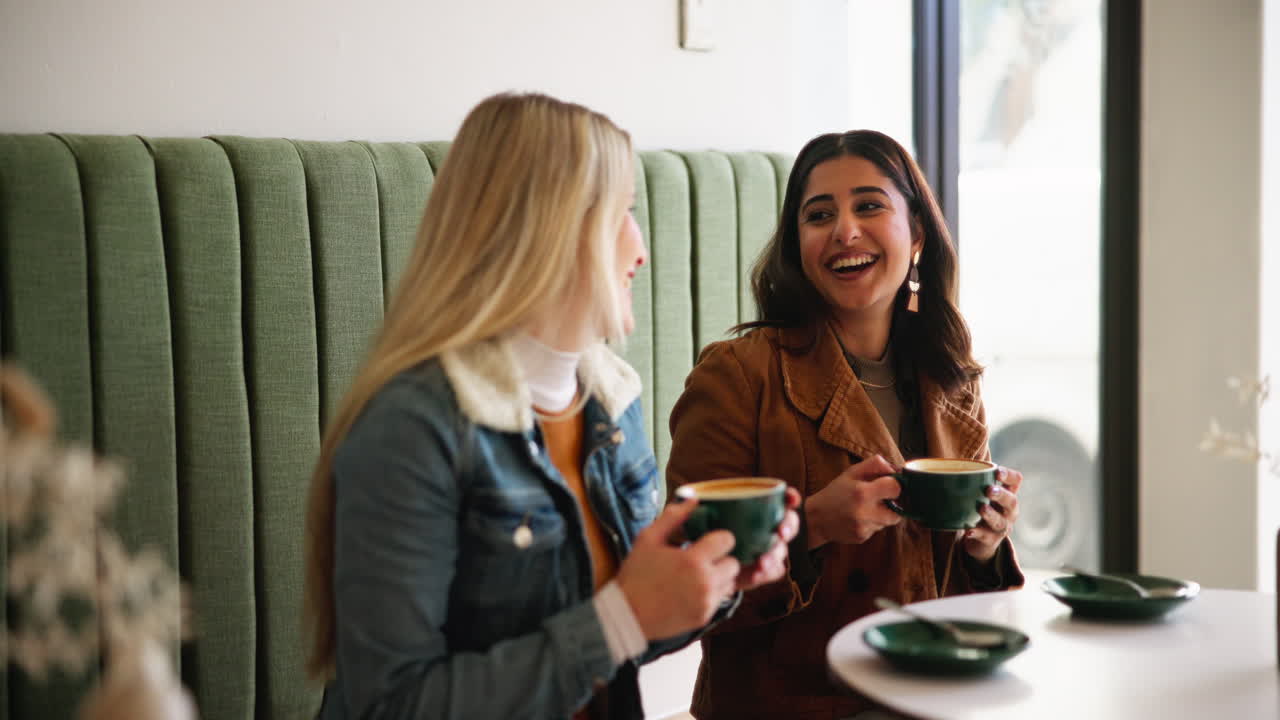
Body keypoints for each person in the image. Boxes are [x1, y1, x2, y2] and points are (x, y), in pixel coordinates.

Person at [300, 92, 800, 720]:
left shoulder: (608, 402)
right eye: (622, 212)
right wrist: (622, 618)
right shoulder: (412, 428)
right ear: (550, 229)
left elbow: (623, 632)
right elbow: (392, 706)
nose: (640, 249)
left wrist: (715, 583)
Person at [665, 130, 1026, 719]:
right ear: (797, 246)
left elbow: (950, 599)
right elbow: (686, 584)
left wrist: (985, 548)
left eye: (869, 206)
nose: (844, 231)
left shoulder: (951, 378)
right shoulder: (738, 375)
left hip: (928, 695)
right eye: (819, 214)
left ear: (917, 238)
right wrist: (810, 526)